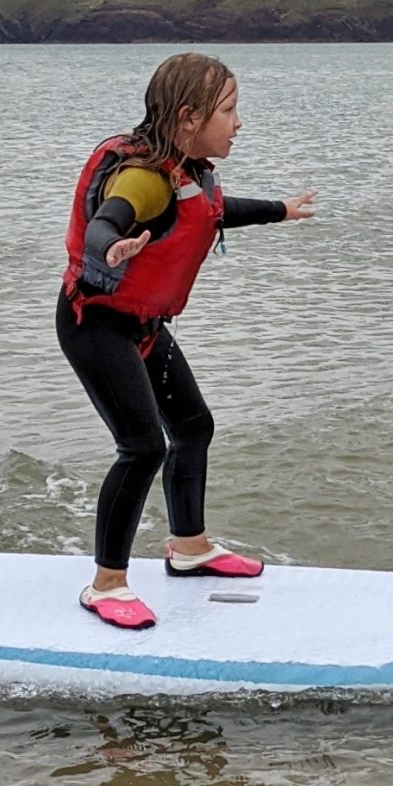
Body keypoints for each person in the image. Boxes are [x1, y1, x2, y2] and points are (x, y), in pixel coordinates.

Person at [57, 52, 316, 629]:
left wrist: (281, 210)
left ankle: (190, 547)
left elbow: (215, 213)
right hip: (96, 325)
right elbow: (110, 217)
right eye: (230, 110)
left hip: (142, 325)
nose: (239, 122)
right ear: (190, 117)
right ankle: (106, 584)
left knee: (194, 427)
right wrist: (111, 247)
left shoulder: (186, 170)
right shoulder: (145, 176)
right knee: (143, 445)